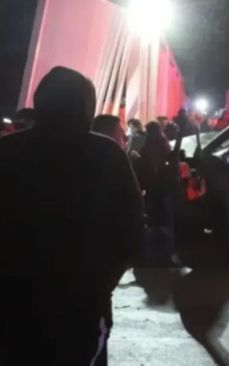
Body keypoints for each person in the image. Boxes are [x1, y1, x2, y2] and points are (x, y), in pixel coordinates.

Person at [0, 66, 144, 365]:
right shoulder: (107, 156)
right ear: (86, 108)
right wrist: (101, 284)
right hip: (81, 309)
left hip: (13, 307)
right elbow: (131, 233)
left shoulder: (8, 152)